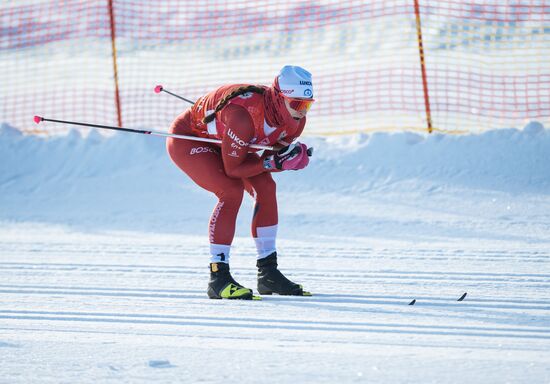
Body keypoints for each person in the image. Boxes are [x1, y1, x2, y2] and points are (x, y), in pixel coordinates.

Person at [166, 65, 314, 300]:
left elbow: (269, 156)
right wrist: (274, 162)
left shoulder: (296, 121)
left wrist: (288, 158)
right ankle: (218, 278)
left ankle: (268, 273)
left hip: (230, 141)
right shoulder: (243, 116)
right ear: (278, 97)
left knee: (266, 187)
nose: (302, 112)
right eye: (296, 104)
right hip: (190, 139)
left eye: (307, 105)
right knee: (231, 190)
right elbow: (234, 170)